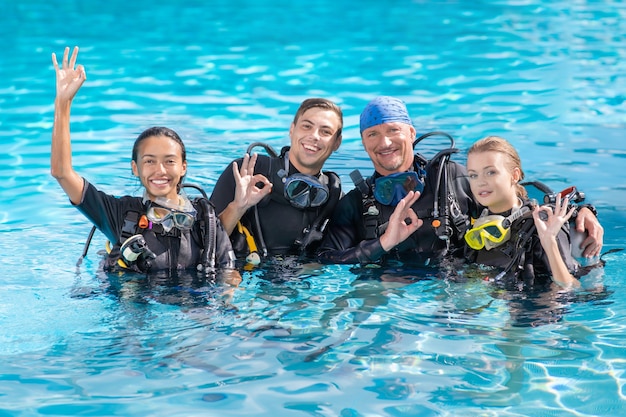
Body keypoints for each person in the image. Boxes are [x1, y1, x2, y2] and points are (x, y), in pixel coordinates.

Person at [318, 96, 603, 269]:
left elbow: (515, 202)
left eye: (393, 130)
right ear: (364, 143)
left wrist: (581, 211)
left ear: (411, 133)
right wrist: (382, 244)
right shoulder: (355, 203)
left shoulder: (451, 177)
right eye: (373, 134)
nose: (385, 142)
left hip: (458, 296)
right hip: (389, 295)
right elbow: (326, 258)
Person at [51, 46, 237, 278]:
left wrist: (225, 307)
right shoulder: (120, 214)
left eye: (169, 161)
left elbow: (229, 273)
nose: (160, 170)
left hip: (195, 310)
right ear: (135, 168)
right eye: (149, 161)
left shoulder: (203, 217)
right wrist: (62, 104)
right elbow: (61, 172)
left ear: (183, 167)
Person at [209, 98, 343, 263]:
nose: (314, 136)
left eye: (325, 132)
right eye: (307, 126)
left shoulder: (334, 198)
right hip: (239, 278)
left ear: (337, 142)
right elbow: (204, 244)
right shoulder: (248, 171)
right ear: (292, 130)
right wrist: (238, 206)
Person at [464, 136, 583, 289]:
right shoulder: (472, 220)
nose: (480, 182)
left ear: (514, 176)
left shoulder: (541, 224)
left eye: (491, 172)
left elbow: (571, 288)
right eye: (473, 175)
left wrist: (549, 242)